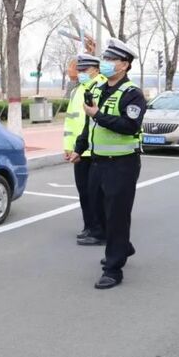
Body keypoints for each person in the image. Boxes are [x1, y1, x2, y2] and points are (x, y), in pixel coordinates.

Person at [70, 39, 146, 290]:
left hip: (122, 164)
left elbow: (129, 126)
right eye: (106, 59)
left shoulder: (132, 94)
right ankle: (122, 246)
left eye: (111, 60)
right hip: (98, 162)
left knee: (116, 216)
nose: (106, 63)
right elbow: (88, 124)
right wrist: (79, 149)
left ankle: (113, 269)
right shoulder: (101, 89)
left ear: (124, 65)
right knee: (98, 209)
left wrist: (98, 116)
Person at [63, 54, 106, 240]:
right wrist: (68, 147)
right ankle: (89, 226)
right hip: (79, 150)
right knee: (84, 192)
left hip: (97, 150)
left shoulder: (104, 87)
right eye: (79, 70)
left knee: (98, 194)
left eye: (84, 70)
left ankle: (100, 228)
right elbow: (70, 122)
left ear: (96, 70)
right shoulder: (77, 91)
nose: (80, 73)